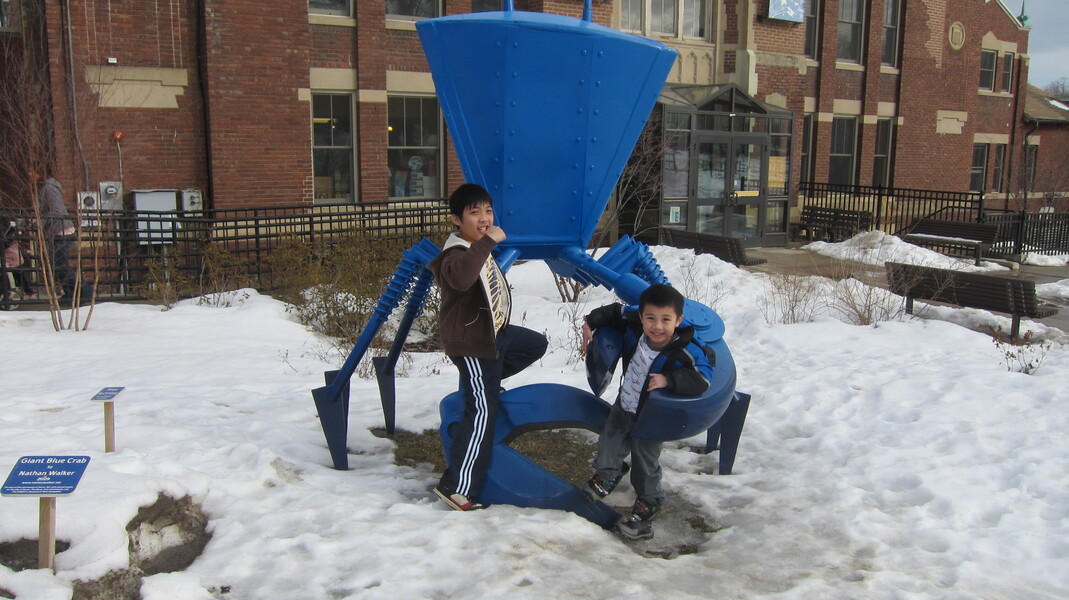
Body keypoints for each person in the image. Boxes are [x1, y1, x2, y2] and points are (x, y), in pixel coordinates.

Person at [427, 183, 548, 511]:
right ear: (456, 219)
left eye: (488, 210)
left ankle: (484, 384)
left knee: (535, 344)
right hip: (472, 343)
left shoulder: (476, 246)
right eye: (474, 212)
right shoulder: (455, 254)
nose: (484, 218)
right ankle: (458, 487)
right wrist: (488, 242)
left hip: (493, 335)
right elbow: (462, 278)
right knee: (482, 411)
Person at [581, 284, 713, 540]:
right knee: (609, 443)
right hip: (626, 403)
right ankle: (608, 475)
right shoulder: (633, 323)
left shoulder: (686, 348)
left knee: (645, 462)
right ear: (641, 316)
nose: (657, 326)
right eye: (650, 318)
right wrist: (589, 322)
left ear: (678, 320)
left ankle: (648, 504)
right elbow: (614, 312)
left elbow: (703, 378)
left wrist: (669, 380)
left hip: (653, 417)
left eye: (666, 320)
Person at [34, 172, 78, 302]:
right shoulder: (46, 187)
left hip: (62, 231)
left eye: (31, 172)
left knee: (60, 265)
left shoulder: (49, 188)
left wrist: (41, 221)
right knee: (59, 265)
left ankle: (82, 291)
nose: (29, 175)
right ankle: (73, 293)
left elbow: (56, 211)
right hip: (58, 230)